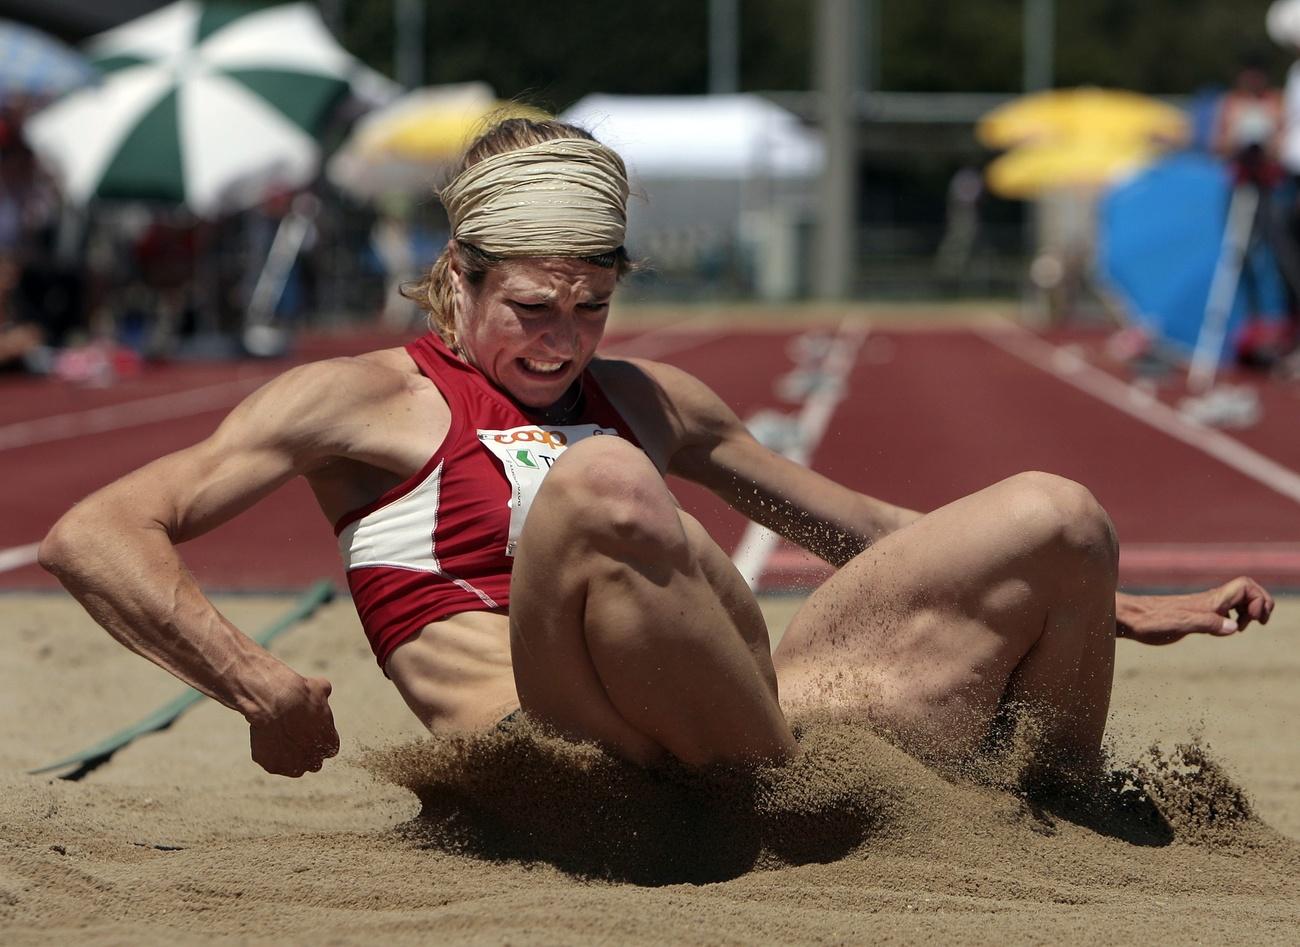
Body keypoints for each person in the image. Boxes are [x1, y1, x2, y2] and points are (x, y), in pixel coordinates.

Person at [39, 119, 1275, 780]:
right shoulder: (356, 401)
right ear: (455, 279)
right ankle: (776, 794)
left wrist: (1121, 605)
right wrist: (255, 682)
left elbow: (860, 533)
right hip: (561, 754)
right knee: (606, 481)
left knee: (1053, 509)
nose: (561, 343)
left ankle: (1044, 807)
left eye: (592, 307)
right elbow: (91, 530)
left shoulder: (646, 397)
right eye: (531, 308)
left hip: (749, 723)